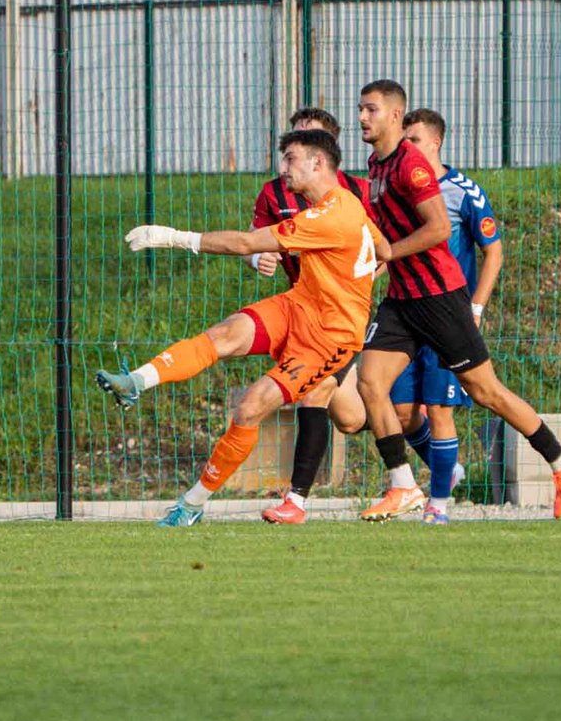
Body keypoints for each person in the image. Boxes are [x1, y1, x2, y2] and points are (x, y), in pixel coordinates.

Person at [94, 129, 390, 527]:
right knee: (225, 334)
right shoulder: (345, 205)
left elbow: (247, 244)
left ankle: (192, 504)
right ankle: (136, 381)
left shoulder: (330, 215)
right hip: (299, 305)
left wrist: (172, 237)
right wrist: (354, 277)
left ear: (318, 162)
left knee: (251, 408)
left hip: (329, 339)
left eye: (290, 158)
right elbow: (384, 250)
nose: (283, 168)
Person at [352, 80, 561, 523]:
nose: (362, 117)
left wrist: (390, 253)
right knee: (370, 382)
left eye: (371, 109)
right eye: (360, 108)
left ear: (395, 115)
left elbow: (439, 229)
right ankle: (403, 485)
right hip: (402, 298)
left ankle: (560, 460)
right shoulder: (376, 164)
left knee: (486, 391)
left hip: (439, 297)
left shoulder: (411, 166)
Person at [244, 107, 373, 525]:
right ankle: (404, 422)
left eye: (308, 141)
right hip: (304, 312)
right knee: (351, 418)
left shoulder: (353, 193)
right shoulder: (274, 193)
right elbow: (254, 242)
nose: (294, 153)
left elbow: (378, 247)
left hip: (340, 316)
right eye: (293, 142)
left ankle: (296, 501)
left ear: (326, 152)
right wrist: (258, 258)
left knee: (313, 393)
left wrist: (358, 278)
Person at [386, 109, 503, 523]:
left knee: (439, 409)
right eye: (404, 141)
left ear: (435, 143)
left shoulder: (463, 191)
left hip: (447, 313)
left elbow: (494, 251)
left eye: (414, 140)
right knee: (401, 410)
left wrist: (476, 307)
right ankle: (447, 470)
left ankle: (438, 504)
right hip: (407, 311)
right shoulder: (399, 189)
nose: (407, 147)